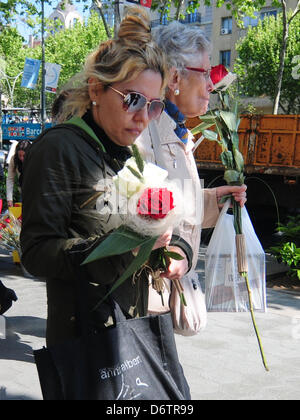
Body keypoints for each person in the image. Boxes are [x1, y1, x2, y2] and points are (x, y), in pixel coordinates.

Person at [20, 8, 193, 350]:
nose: (143, 117)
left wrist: (177, 252)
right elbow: (36, 253)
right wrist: (122, 248)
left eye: (154, 105)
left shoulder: (132, 154)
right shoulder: (59, 148)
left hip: (133, 332)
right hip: (83, 345)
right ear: (96, 88)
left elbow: (155, 232)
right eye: (133, 100)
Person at [135, 22, 247, 319]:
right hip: (141, 305)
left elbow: (173, 202)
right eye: (205, 73)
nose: (211, 84)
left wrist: (212, 201)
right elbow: (130, 212)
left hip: (157, 304)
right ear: (174, 77)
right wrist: (172, 250)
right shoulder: (143, 131)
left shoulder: (174, 128)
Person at [6, 140, 32, 208]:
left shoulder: (35, 159)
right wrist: (9, 199)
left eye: (24, 156)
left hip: (35, 193)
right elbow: (10, 179)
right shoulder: (14, 159)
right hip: (23, 192)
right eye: (19, 155)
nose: (21, 158)